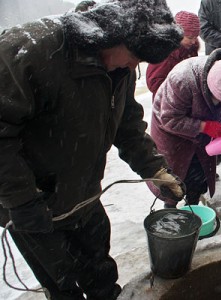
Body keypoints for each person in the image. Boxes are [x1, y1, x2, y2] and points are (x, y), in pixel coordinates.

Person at [0, 1, 186, 299]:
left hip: (83, 193)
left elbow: (126, 123)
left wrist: (155, 169)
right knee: (64, 283)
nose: (132, 66)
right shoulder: (33, 51)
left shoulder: (118, 67)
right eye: (134, 57)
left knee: (100, 270)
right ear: (114, 35)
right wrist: (22, 201)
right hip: (35, 203)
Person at [151, 48, 221, 208]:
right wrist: (203, 126)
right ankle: (170, 209)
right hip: (171, 128)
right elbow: (169, 119)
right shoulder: (183, 80)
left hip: (205, 129)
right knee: (174, 177)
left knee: (199, 174)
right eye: (219, 99)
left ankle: (193, 205)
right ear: (207, 87)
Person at [146, 10, 200, 100]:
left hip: (186, 103)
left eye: (195, 37)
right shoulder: (163, 51)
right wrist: (182, 90)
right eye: (190, 37)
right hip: (166, 104)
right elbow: (154, 82)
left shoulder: (190, 50)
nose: (194, 41)